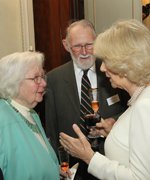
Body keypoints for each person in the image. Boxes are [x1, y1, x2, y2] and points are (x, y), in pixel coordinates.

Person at [60, 19, 150, 179]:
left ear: (125, 63)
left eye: (107, 61)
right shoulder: (141, 98)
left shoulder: (144, 105)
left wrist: (89, 157)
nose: (101, 68)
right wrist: (114, 133)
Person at [45, 19, 129, 179]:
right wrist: (56, 163)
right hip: (74, 168)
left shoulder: (113, 71)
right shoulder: (53, 79)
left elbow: (130, 111)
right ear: (66, 45)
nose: (84, 51)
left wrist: (114, 121)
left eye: (89, 44)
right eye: (77, 46)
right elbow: (52, 128)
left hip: (114, 164)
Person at [0, 51, 60, 180]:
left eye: (43, 77)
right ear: (14, 82)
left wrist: (55, 170)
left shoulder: (31, 113)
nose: (43, 83)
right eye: (36, 78)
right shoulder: (2, 118)